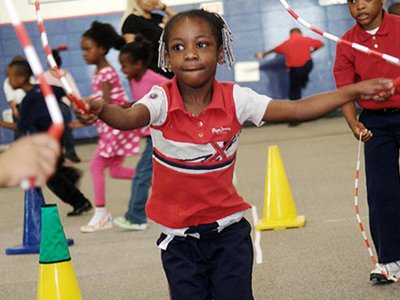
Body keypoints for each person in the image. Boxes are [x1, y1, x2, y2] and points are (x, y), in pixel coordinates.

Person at [74, 9, 393, 299]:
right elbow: (128, 119)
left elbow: (297, 108)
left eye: (201, 44)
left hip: (228, 236)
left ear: (220, 51)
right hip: (179, 242)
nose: (190, 55)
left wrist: (351, 91)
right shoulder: (159, 100)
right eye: (178, 47)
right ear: (167, 59)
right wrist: (102, 109)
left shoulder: (237, 99)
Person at [333, 0, 400, 283]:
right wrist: (353, 122)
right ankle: (390, 261)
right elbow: (345, 88)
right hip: (375, 123)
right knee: (382, 193)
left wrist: (393, 86)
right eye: (351, 0)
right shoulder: (346, 43)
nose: (359, 5)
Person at [0, 60, 92, 216]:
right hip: (59, 133)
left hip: (49, 138)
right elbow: (62, 90)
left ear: (21, 78)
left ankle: (80, 202)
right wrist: (73, 103)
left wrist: (1, 123)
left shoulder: (28, 101)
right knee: (56, 167)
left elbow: (21, 127)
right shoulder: (44, 88)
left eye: (10, 77)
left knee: (50, 176)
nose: (9, 81)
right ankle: (70, 174)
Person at [79, 21, 142, 233]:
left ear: (102, 49)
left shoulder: (105, 73)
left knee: (96, 167)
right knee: (115, 170)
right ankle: (150, 177)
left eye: (88, 49)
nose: (84, 54)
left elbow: (104, 104)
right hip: (111, 126)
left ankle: (101, 214)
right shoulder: (101, 72)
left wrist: (89, 110)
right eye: (83, 50)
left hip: (114, 127)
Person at [113, 35, 169, 231]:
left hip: (161, 133)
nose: (123, 70)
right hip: (150, 135)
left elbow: (169, 97)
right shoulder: (134, 79)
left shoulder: (154, 81)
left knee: (141, 175)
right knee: (162, 175)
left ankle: (136, 217)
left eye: (125, 66)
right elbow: (142, 103)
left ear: (139, 64)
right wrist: (125, 107)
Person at [255, 28, 324, 101]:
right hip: (308, 65)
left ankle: (296, 103)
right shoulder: (307, 39)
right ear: (300, 33)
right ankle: (304, 79)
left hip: (295, 71)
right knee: (304, 73)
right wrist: (312, 51)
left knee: (294, 88)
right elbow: (321, 44)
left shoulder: (286, 44)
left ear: (290, 34)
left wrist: (263, 54)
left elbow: (274, 50)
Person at [44, 47, 81, 163]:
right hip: (65, 105)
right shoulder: (65, 74)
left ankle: (56, 155)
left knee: (53, 130)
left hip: (52, 107)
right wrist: (77, 103)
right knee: (67, 129)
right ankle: (71, 152)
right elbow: (74, 91)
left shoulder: (45, 76)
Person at [121, 0, 175, 79]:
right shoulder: (132, 21)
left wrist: (164, 8)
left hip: (168, 70)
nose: (150, 1)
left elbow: (183, 23)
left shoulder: (157, 17)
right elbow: (132, 52)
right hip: (152, 73)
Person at [2, 56, 31, 140]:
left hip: (30, 105)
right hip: (18, 106)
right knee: (20, 133)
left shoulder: (30, 80)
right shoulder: (8, 82)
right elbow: (9, 96)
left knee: (34, 131)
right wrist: (14, 108)